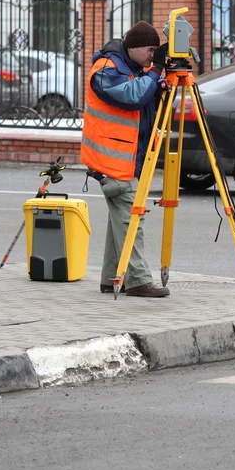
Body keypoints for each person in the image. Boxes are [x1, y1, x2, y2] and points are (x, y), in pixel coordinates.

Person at [80, 21, 170, 298]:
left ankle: (110, 277)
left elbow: (146, 107)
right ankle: (138, 280)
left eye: (156, 51)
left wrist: (159, 87)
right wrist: (155, 72)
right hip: (113, 160)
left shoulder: (134, 68)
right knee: (131, 219)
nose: (153, 56)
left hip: (127, 159)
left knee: (120, 220)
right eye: (150, 50)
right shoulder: (106, 69)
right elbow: (131, 97)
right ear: (131, 47)